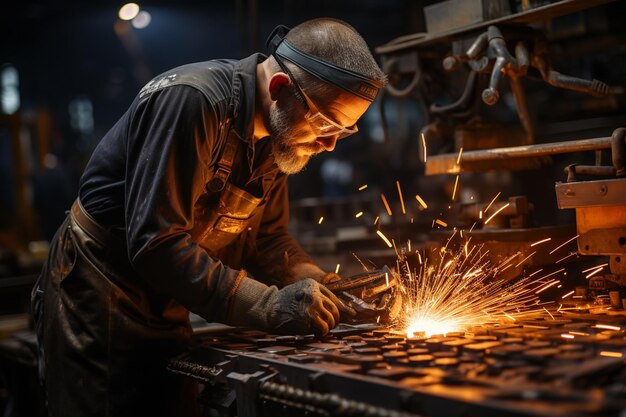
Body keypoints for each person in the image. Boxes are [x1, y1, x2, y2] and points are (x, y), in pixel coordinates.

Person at [31, 17, 386, 417]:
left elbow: (267, 241)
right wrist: (270, 306)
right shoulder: (193, 102)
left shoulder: (279, 134)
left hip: (166, 293)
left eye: (345, 130)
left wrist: (324, 285)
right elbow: (156, 243)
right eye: (325, 123)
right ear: (280, 88)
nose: (330, 143)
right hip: (100, 292)